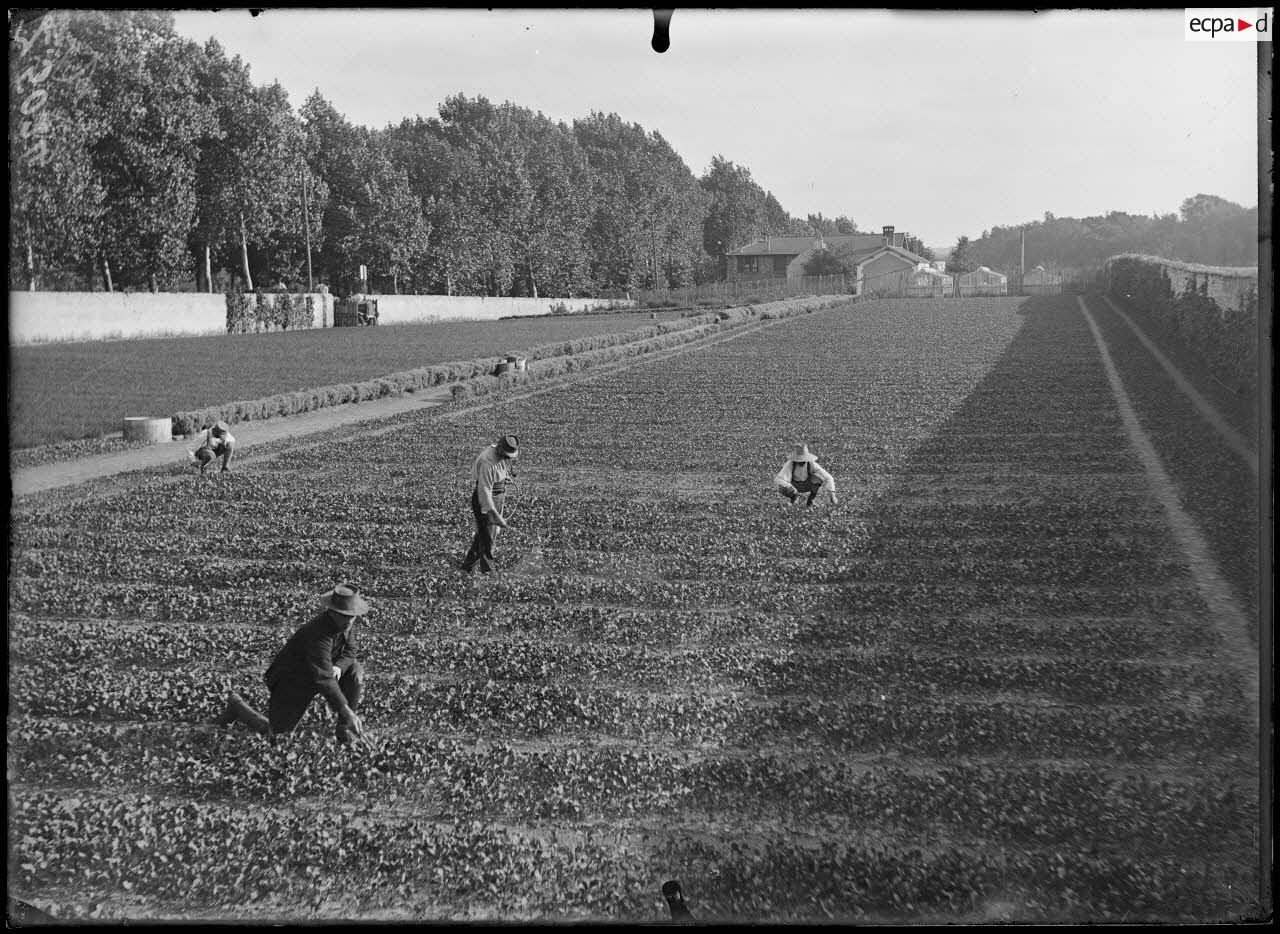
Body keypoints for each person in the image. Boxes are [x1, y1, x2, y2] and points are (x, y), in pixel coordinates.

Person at [214, 584, 368, 743]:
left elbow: (350, 652)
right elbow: (324, 677)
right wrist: (346, 711)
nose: (350, 620)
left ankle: (344, 732)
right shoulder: (317, 633)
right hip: (293, 681)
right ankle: (237, 707)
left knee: (355, 670)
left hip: (320, 673)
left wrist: (338, 667)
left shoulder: (346, 623)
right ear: (332, 611)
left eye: (352, 615)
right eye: (345, 615)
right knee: (279, 739)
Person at [461, 434, 519, 575]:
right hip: (487, 499)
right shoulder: (488, 461)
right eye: (506, 456)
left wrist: (504, 477)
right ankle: (488, 571)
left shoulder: (498, 452)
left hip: (497, 495)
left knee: (484, 534)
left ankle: (467, 566)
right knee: (488, 540)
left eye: (509, 456)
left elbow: (499, 468)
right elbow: (485, 492)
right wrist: (495, 515)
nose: (507, 458)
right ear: (499, 449)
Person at [774, 443, 838, 508]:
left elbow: (828, 477)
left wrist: (832, 495)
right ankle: (793, 500)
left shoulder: (811, 463)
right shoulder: (790, 463)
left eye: (804, 460)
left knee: (818, 478)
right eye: (800, 460)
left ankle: (810, 501)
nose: (802, 462)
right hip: (794, 485)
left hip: (807, 485)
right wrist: (789, 486)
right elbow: (778, 479)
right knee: (781, 487)